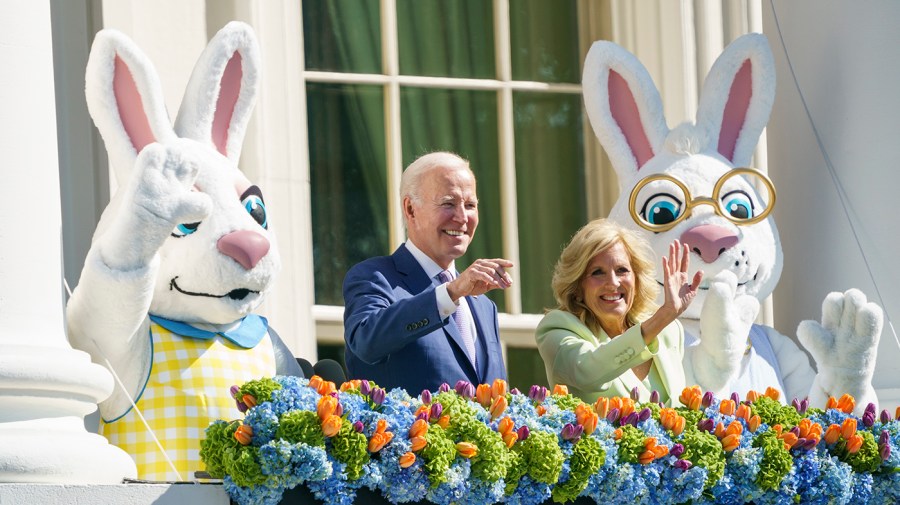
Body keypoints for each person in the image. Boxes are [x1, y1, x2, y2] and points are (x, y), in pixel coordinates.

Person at [343, 152, 513, 393]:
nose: (462, 217)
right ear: (410, 209)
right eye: (448, 203)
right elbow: (366, 342)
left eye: (470, 205)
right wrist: (450, 293)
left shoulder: (484, 306)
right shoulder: (374, 278)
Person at [535, 218, 702, 405]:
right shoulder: (557, 328)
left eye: (622, 270)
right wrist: (662, 317)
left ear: (636, 279)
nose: (613, 283)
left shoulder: (669, 331)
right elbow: (588, 372)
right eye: (597, 272)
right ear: (578, 287)